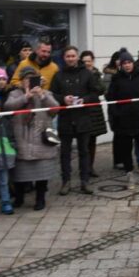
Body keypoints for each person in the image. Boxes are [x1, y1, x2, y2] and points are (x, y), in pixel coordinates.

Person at [4, 67, 59, 211]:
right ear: (21, 81)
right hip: (21, 138)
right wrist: (25, 97)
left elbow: (55, 109)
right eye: (26, 79)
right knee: (20, 173)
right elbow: (8, 107)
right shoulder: (14, 94)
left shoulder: (45, 93)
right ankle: (19, 198)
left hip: (41, 137)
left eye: (32, 79)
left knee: (42, 171)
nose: (28, 82)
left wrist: (41, 95)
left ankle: (40, 199)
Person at [50, 46, 101, 195]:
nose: (71, 59)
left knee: (84, 151)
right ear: (64, 58)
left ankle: (85, 181)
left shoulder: (87, 74)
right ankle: (66, 181)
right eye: (68, 56)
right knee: (65, 153)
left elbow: (95, 93)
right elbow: (52, 94)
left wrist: (85, 100)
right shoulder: (58, 75)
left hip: (83, 118)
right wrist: (63, 99)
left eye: (73, 56)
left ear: (77, 57)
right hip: (65, 119)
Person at [105, 51, 139, 178]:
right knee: (126, 149)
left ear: (133, 63)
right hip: (124, 122)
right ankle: (129, 171)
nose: (127, 65)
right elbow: (111, 98)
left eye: (129, 62)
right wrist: (117, 113)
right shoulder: (116, 79)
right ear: (121, 65)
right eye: (124, 63)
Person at [79, 51, 108, 178]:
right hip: (83, 109)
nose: (87, 63)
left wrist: (93, 79)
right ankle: (84, 167)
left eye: (89, 61)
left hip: (94, 109)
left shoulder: (96, 73)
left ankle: (90, 167)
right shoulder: (79, 73)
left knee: (92, 140)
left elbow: (101, 89)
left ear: (92, 61)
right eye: (84, 61)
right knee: (83, 141)